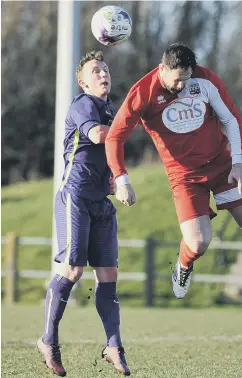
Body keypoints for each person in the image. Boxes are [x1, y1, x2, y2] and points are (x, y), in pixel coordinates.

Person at [105, 42, 242, 303]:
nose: (182, 86)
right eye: (177, 80)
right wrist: (121, 179)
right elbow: (114, 138)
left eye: (187, 79)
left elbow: (230, 119)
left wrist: (238, 161)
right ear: (161, 69)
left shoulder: (205, 79)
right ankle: (183, 266)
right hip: (184, 176)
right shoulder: (142, 93)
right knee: (199, 243)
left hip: (222, 165)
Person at [37, 51, 130, 376]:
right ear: (83, 80)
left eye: (105, 69)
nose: (103, 74)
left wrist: (120, 180)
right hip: (75, 196)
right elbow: (99, 135)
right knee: (73, 269)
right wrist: (129, 120)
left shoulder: (111, 109)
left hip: (101, 203)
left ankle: (114, 345)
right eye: (96, 70)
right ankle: (48, 339)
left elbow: (116, 146)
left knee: (108, 276)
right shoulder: (83, 104)